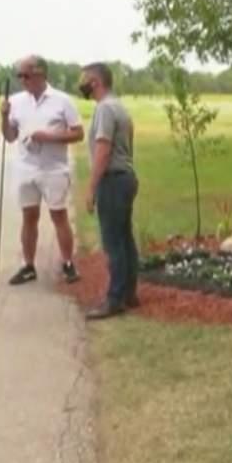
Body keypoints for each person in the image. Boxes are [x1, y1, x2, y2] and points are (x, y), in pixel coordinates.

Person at [0, 55, 83, 285]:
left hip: (54, 168)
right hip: (26, 168)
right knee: (29, 217)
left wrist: (50, 137)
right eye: (19, 76)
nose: (22, 80)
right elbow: (9, 136)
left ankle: (67, 263)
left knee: (58, 215)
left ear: (40, 74)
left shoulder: (62, 100)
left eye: (25, 75)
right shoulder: (16, 101)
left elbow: (78, 133)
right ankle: (28, 266)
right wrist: (4, 116)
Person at [78, 62, 139, 320]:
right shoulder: (119, 106)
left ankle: (114, 300)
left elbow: (103, 150)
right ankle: (128, 294)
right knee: (125, 240)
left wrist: (91, 188)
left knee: (113, 243)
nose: (81, 84)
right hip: (126, 177)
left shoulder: (104, 109)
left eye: (84, 80)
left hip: (113, 180)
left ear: (96, 82)